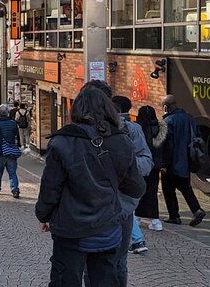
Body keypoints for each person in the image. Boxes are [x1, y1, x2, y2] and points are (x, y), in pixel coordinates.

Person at [35, 86, 146, 287]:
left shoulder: (62, 141)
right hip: (107, 227)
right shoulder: (122, 141)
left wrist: (44, 215)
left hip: (70, 229)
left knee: (66, 279)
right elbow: (136, 188)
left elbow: (50, 188)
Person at [111, 95, 153, 264]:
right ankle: (138, 240)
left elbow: (146, 161)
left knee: (117, 261)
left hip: (125, 193)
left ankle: (138, 240)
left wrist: (126, 165)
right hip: (114, 196)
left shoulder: (133, 129)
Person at [161, 95, 206, 227]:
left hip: (172, 162)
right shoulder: (190, 118)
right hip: (186, 161)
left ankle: (174, 216)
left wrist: (164, 164)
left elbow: (166, 146)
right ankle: (197, 210)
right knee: (185, 188)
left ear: (166, 107)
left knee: (168, 190)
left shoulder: (167, 122)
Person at [135, 106, 168, 232]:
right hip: (155, 165)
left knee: (137, 190)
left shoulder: (136, 128)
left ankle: (136, 218)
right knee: (152, 191)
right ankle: (155, 221)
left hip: (139, 164)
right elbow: (166, 149)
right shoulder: (162, 128)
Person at [0, 104, 21, 198]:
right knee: (12, 172)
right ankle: (15, 189)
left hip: (0, 152)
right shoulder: (13, 123)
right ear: (7, 113)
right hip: (11, 151)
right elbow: (16, 136)